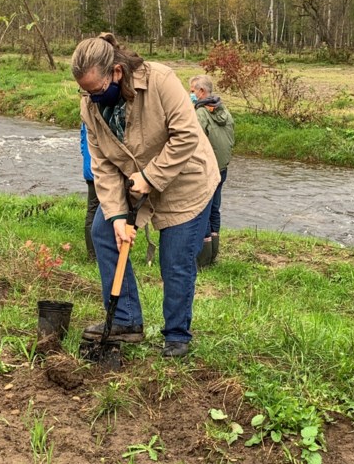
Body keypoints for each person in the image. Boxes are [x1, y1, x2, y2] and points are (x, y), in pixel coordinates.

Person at [72, 33, 219, 358]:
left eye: (96, 90)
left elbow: (186, 137)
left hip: (185, 178)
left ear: (117, 73)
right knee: (104, 230)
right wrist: (118, 216)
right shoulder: (91, 106)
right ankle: (125, 321)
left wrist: (151, 177)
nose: (91, 98)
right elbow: (103, 163)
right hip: (132, 177)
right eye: (85, 91)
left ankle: (176, 336)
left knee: (175, 259)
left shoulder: (160, 80)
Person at [189, 75, 235, 268]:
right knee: (214, 209)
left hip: (207, 170)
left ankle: (202, 259)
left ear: (201, 92)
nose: (190, 94)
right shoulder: (223, 109)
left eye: (192, 91)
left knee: (203, 211)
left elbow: (193, 141)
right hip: (222, 167)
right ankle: (213, 253)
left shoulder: (200, 113)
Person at [81, 122, 99, 261]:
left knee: (92, 212)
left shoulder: (85, 119)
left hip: (89, 169)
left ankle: (92, 254)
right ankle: (95, 255)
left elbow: (82, 145)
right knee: (96, 212)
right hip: (99, 172)